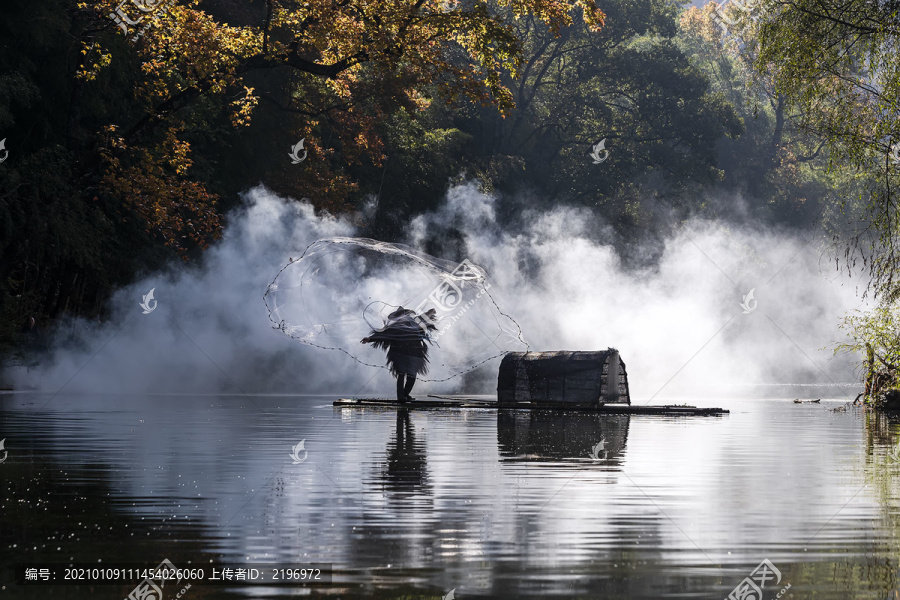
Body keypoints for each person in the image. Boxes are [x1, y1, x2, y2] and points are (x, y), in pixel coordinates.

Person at [361, 306, 438, 401]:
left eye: (405, 314)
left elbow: (424, 317)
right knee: (401, 374)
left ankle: (406, 394)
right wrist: (370, 339)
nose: (404, 316)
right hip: (400, 354)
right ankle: (401, 397)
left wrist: (430, 312)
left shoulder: (415, 322)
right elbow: (384, 334)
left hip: (414, 353)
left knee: (412, 375)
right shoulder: (396, 326)